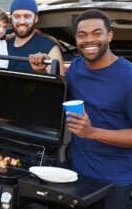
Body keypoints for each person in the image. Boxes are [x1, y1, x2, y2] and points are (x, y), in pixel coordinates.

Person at [29, 9, 132, 209]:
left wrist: (92, 133)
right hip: (75, 175)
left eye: (97, 33)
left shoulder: (128, 78)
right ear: (76, 38)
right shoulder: (75, 69)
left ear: (109, 36)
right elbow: (54, 99)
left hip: (114, 183)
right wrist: (44, 73)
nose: (89, 40)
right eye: (82, 35)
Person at [7, 0, 64, 74]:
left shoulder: (51, 49)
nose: (21, 22)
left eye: (27, 16)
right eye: (16, 16)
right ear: (11, 19)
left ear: (36, 18)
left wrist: (41, 71)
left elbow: (57, 84)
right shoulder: (3, 44)